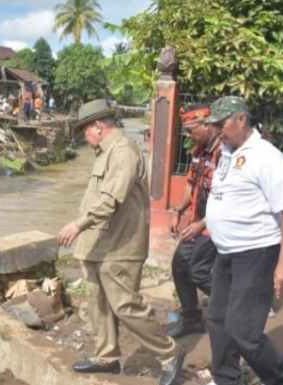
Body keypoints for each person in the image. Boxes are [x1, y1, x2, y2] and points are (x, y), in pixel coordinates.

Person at [56, 98, 184, 385]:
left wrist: (77, 224)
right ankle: (107, 356)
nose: (84, 137)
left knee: (125, 305)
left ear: (99, 126)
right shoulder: (104, 152)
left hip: (121, 245)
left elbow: (111, 199)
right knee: (97, 302)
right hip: (99, 244)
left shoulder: (123, 151)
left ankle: (170, 353)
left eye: (85, 130)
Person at [204, 96, 283, 385]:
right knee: (217, 320)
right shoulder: (227, 152)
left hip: (256, 252)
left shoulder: (266, 156)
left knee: (243, 329)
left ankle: (282, 378)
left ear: (242, 119)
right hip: (226, 252)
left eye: (222, 124)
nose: (218, 130)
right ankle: (226, 378)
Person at [167, 104, 221, 337]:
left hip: (216, 225)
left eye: (191, 130)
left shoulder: (225, 154)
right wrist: (178, 209)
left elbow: (227, 198)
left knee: (199, 271)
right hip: (197, 222)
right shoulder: (199, 153)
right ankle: (191, 319)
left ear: (207, 124)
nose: (189, 136)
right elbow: (192, 185)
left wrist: (202, 224)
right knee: (179, 265)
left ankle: (235, 306)